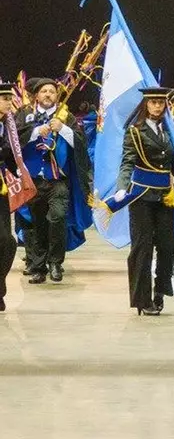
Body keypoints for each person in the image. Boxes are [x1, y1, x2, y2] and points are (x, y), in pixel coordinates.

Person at [111, 87, 174, 316]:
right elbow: (127, 162)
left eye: (161, 102)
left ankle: (160, 289)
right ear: (146, 104)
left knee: (168, 246)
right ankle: (143, 299)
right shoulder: (135, 131)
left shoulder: (170, 129)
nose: (158, 106)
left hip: (165, 194)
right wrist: (122, 187)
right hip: (141, 195)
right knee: (142, 247)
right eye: (153, 102)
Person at [15, 77, 91, 284]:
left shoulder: (67, 117)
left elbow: (81, 143)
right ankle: (38, 267)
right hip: (32, 180)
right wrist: (34, 132)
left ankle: (56, 263)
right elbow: (15, 140)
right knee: (37, 222)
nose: (48, 94)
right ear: (36, 96)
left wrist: (63, 129)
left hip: (58, 180)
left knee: (57, 218)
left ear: (57, 96)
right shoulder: (25, 115)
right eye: (44, 91)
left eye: (52, 91)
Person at [0, 84, 20, 311]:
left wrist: (21, 174)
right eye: (5, 98)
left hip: (1, 189)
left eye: (10, 98)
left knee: (7, 242)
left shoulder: (9, 126)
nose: (9, 102)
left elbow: (12, 157)